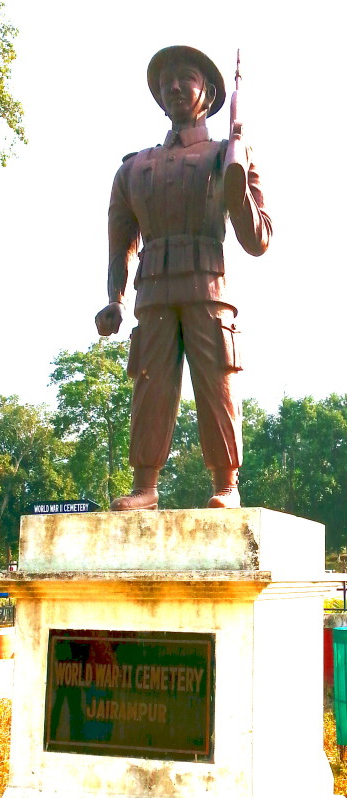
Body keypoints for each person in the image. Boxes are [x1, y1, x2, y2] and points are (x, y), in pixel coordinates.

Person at [95, 45, 272, 510]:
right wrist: (114, 298)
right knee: (150, 385)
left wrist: (237, 191)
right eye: (166, 80)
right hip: (152, 291)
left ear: (209, 92)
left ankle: (226, 485)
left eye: (185, 77)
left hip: (208, 285)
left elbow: (258, 240)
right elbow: (120, 244)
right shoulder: (133, 168)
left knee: (216, 382)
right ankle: (145, 487)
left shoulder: (227, 153)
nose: (173, 86)